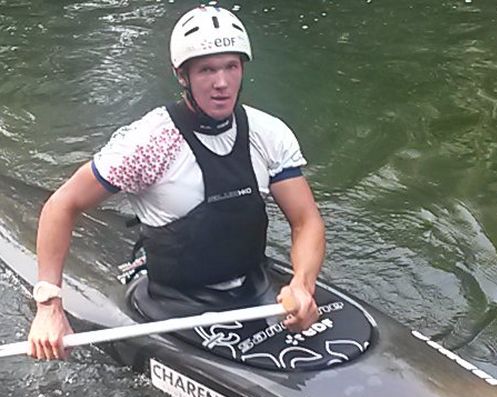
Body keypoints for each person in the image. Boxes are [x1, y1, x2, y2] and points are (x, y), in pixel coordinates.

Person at [27, 5, 325, 361]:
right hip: (170, 307)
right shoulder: (150, 143)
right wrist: (48, 305)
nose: (221, 82)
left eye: (231, 66)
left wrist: (302, 284)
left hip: (252, 291)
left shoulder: (268, 134)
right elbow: (63, 204)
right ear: (182, 75)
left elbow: (305, 220)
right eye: (206, 70)